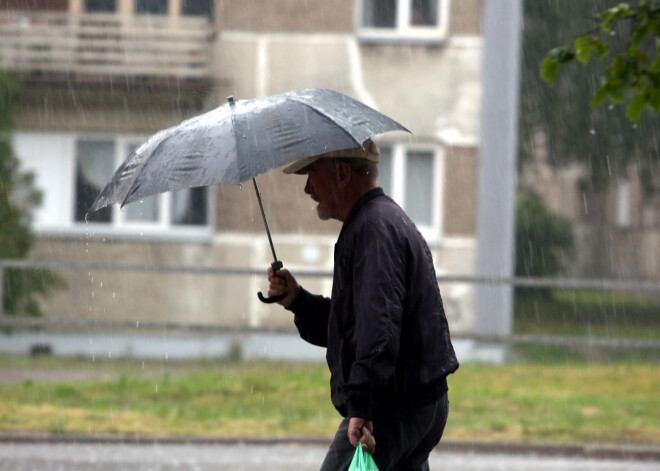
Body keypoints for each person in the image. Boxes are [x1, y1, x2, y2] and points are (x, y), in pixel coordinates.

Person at [267, 139, 459, 471]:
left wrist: (363, 406)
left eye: (312, 174)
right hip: (417, 401)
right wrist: (298, 301)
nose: (308, 189)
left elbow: (378, 329)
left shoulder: (373, 229)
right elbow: (354, 324)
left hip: (394, 406)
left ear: (342, 173)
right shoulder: (379, 220)